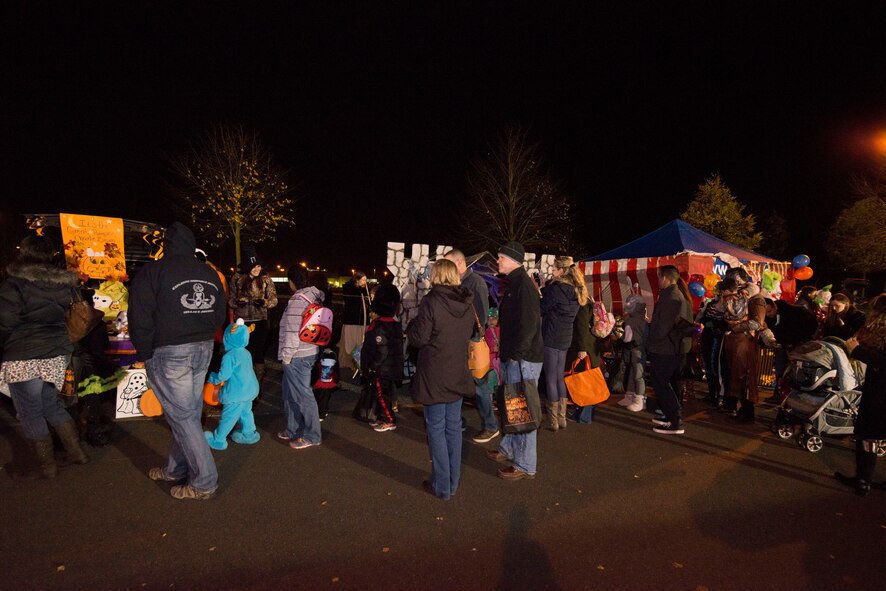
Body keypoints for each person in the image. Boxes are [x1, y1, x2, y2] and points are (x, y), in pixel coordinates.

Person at [129, 222, 227, 500]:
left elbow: (140, 317)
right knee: (187, 414)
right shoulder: (207, 272)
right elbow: (220, 312)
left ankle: (205, 482)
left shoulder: (154, 271)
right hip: (202, 348)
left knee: (183, 417)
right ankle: (176, 468)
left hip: (169, 351)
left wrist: (145, 353)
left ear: (166, 245)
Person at [0, 234, 89, 479]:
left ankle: (47, 466)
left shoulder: (15, 284)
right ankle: (76, 452)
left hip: (23, 355)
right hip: (56, 353)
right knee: (51, 404)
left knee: (30, 412)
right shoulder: (64, 284)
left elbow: (4, 322)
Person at [406, 259, 475, 500]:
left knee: (436, 428)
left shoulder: (432, 301)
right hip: (457, 372)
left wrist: (412, 325)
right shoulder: (467, 302)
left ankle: (442, 486)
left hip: (435, 374)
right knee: (453, 429)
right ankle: (452, 483)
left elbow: (419, 337)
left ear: (436, 275)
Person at [485, 242, 544, 479]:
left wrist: (516, 355)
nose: (498, 261)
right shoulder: (516, 283)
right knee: (513, 406)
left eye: (501, 257)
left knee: (523, 410)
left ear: (513, 259)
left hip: (523, 359)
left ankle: (525, 464)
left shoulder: (524, 286)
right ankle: (508, 448)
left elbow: (529, 325)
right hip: (518, 357)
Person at [443, 249, 498, 444]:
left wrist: (473, 337)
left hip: (472, 343)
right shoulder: (462, 282)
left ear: (459, 263)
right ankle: (459, 421)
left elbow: (481, 316)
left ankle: (491, 425)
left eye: (448, 264)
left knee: (480, 387)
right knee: (463, 384)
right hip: (463, 342)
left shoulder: (475, 283)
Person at [835, 294, 886, 496]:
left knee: (869, 435)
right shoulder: (876, 331)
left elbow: (881, 362)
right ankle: (863, 478)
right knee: (868, 436)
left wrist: (857, 350)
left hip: (880, 393)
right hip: (876, 389)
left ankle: (863, 479)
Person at [277, 265, 326, 449]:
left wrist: (286, 358)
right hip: (310, 351)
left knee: (303, 395)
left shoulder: (298, 301)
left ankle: (313, 435)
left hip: (298, 355)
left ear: (292, 281)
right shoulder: (314, 297)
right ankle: (293, 428)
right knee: (290, 392)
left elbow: (291, 333)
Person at [647, 265, 694, 435]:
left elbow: (663, 327)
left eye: (659, 277)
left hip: (665, 349)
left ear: (665, 278)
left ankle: (676, 421)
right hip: (669, 348)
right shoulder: (672, 295)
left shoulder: (672, 297)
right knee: (665, 384)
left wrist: (652, 338)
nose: (658, 280)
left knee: (661, 384)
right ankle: (670, 417)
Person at [203, 319, 261, 450]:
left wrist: (213, 378)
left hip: (236, 393)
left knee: (228, 417)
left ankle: (218, 440)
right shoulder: (246, 352)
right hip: (250, 389)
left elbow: (224, 375)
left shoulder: (229, 356)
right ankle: (249, 434)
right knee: (246, 412)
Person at [540, 256, 583, 430]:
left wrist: (541, 290)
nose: (552, 271)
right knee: (559, 377)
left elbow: (541, 308)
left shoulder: (555, 289)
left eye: (555, 269)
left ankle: (553, 421)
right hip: (566, 336)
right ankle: (562, 418)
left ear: (562, 271)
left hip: (551, 336)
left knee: (550, 378)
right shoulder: (576, 289)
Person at [228, 248, 278, 392]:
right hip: (242, 322)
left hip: (260, 320)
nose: (257, 269)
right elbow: (230, 300)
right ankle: (242, 382)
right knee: (243, 352)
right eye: (254, 266)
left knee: (258, 353)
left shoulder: (265, 278)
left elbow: (274, 299)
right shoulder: (237, 278)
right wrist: (237, 303)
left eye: (258, 266)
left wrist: (265, 303)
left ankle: (256, 387)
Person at [721, 281, 767, 423]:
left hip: (745, 343)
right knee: (737, 376)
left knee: (745, 377)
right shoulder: (745, 301)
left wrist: (735, 327)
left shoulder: (756, 301)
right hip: (738, 342)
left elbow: (757, 323)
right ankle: (742, 409)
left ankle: (747, 412)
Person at [360, 284, 404, 432]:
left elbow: (381, 351)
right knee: (382, 394)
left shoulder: (379, 326)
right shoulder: (394, 324)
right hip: (390, 367)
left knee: (381, 394)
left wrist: (372, 367)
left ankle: (389, 419)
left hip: (381, 369)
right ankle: (380, 417)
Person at [762, 293, 817, 404]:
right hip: (783, 345)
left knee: (793, 372)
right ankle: (779, 394)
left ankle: (790, 396)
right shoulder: (770, 318)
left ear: (774, 307)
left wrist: (800, 341)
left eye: (769, 312)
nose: (768, 315)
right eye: (766, 313)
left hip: (797, 345)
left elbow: (808, 325)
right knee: (780, 370)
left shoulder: (792, 312)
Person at [620, 292, 649, 412]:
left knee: (638, 374)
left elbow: (645, 338)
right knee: (632, 373)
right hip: (630, 348)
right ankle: (630, 395)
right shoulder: (629, 319)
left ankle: (639, 399)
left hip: (638, 350)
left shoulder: (642, 322)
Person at [338, 271, 371, 372]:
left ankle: (359, 362)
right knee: (350, 341)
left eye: (366, 280)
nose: (365, 282)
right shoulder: (349, 288)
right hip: (352, 320)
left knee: (361, 341)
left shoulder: (364, 289)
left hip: (362, 320)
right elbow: (351, 301)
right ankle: (349, 362)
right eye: (363, 280)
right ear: (357, 279)